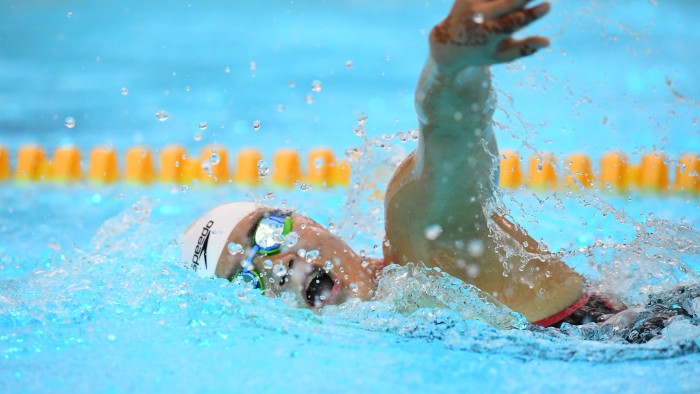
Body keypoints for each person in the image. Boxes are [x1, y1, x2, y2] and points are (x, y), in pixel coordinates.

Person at [182, 0, 642, 332]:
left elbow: (450, 133)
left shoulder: (424, 241)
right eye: (245, 274)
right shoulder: (388, 322)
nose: (276, 264)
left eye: (265, 233)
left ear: (305, 220)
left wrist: (451, 66)